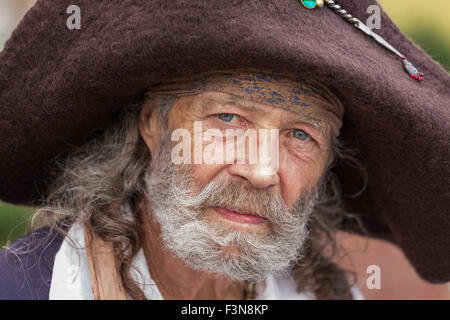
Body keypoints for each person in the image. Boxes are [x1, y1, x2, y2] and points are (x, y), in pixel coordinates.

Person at [0, 0, 448, 300]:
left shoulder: (325, 294)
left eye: (300, 135)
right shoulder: (29, 288)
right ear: (153, 125)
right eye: (229, 119)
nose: (261, 169)